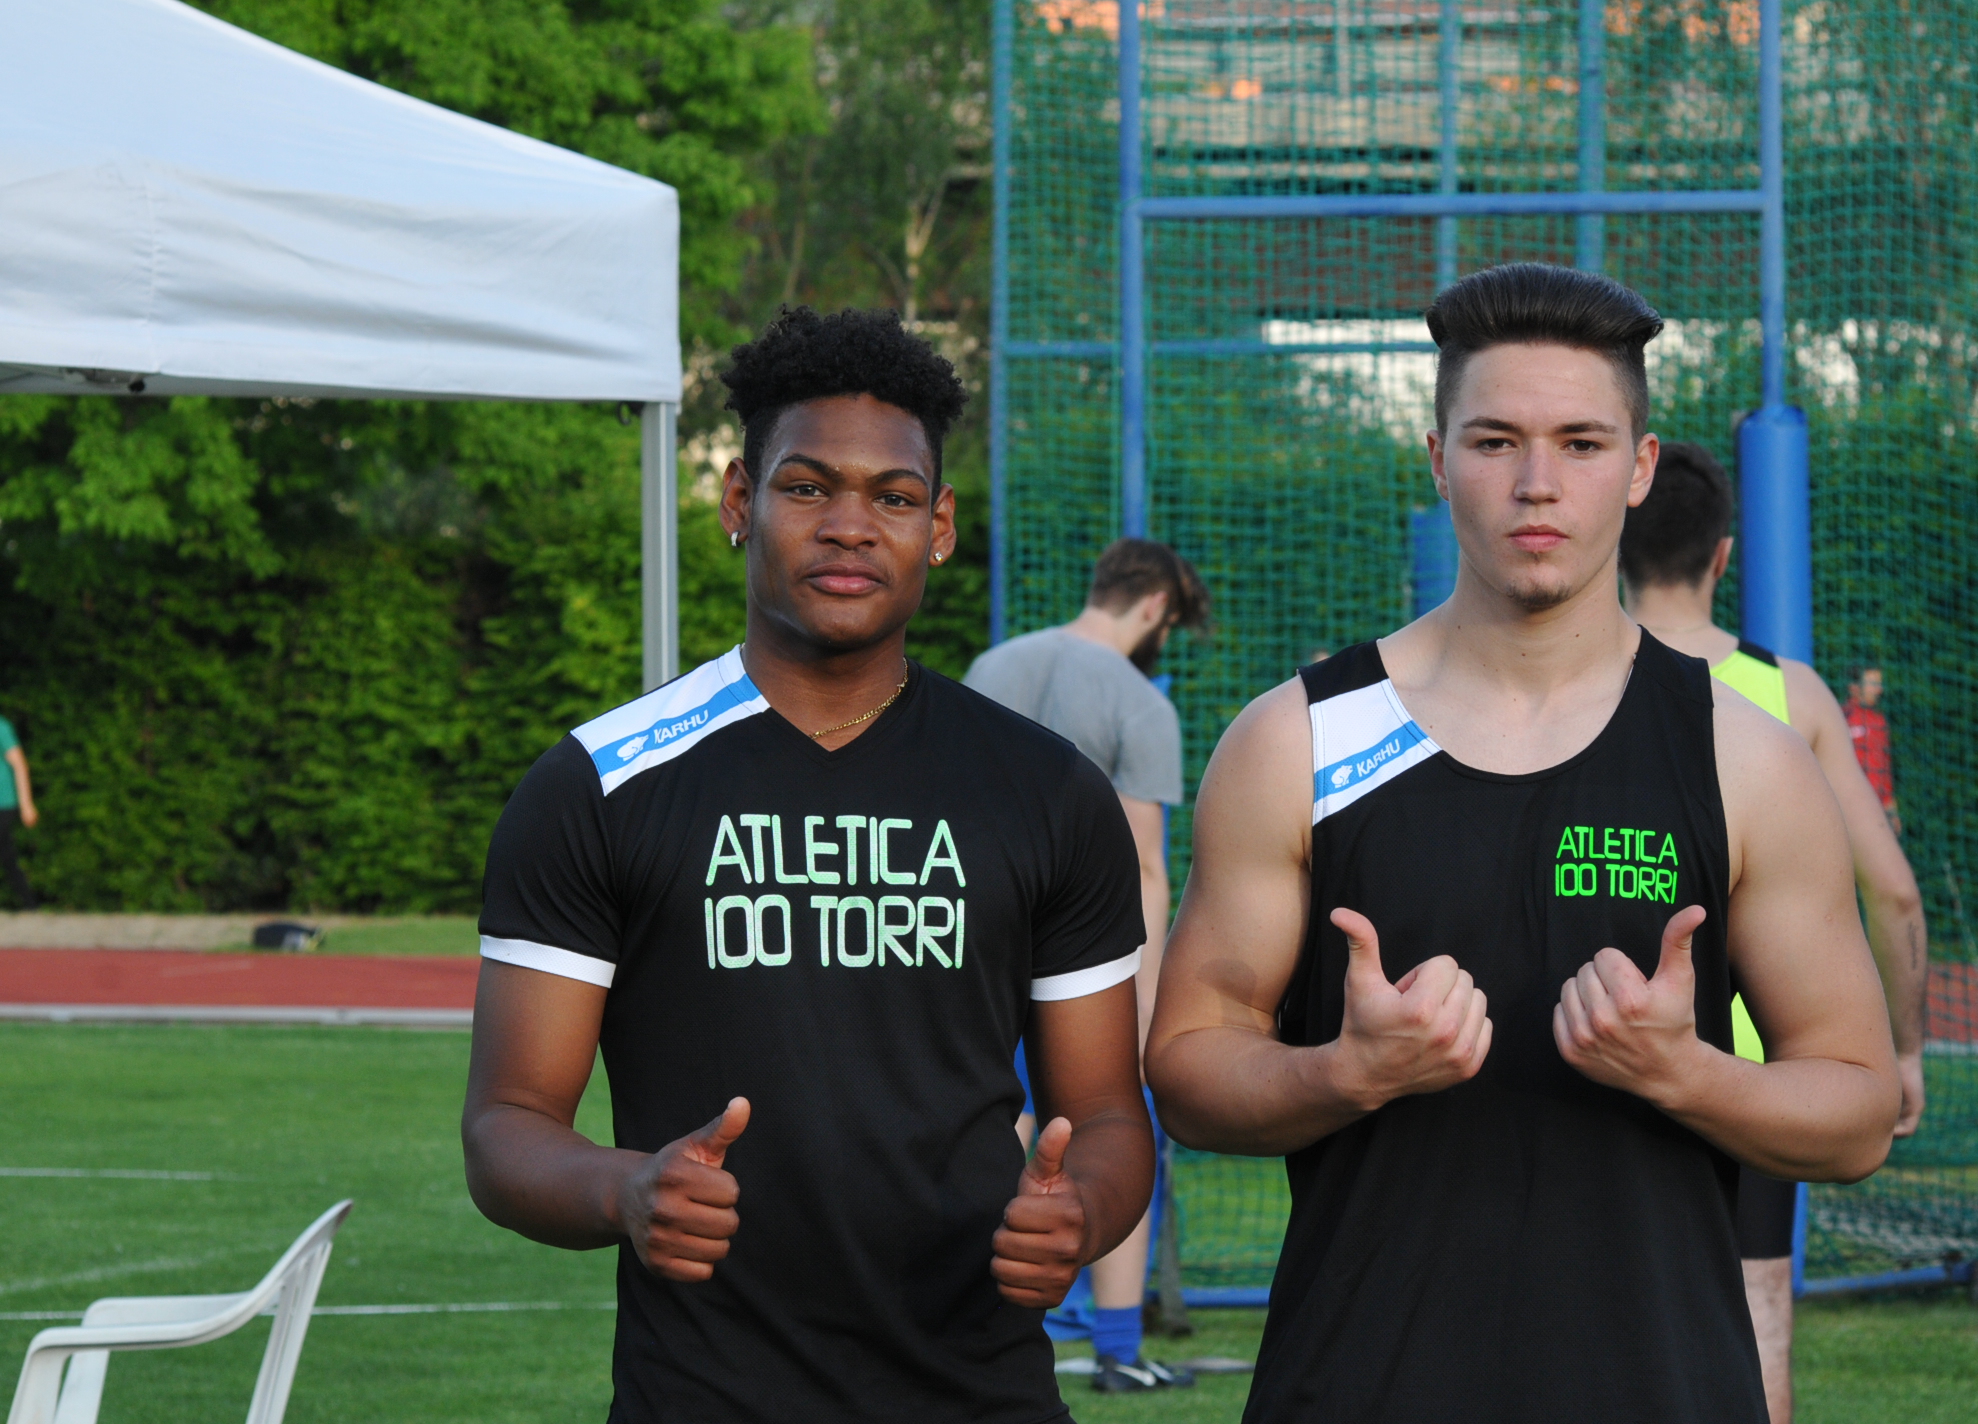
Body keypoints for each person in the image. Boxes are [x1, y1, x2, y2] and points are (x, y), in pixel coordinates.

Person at [1145, 263, 1900, 1423]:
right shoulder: (1297, 739)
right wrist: (1342, 1070)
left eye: (1580, 443)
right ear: (1435, 457)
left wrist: (1685, 1070)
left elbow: (1855, 1110)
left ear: (1637, 467)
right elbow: (1188, 1068)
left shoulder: (1741, 757)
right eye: (1494, 440)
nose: (1536, 482)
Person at [461, 306, 1156, 1424]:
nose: (849, 527)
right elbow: (505, 1123)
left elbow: (1109, 1115)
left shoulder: (1045, 791)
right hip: (700, 1400)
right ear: (739, 500)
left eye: (893, 497)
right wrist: (625, 1189)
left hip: (980, 1395)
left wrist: (1081, 1213)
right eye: (806, 487)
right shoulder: (597, 786)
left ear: (939, 525)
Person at [1622, 440, 1929, 1424]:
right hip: (1753, 1070)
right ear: (1723, 556)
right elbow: (1893, 892)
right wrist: (1902, 1049)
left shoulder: (1557, 687)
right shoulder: (1789, 694)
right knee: (1757, 1324)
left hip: (1595, 1048)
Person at [966, 537, 1212, 1393]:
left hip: (974, 947)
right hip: (1081, 961)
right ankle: (1117, 1351)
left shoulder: (990, 667)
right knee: (1117, 1127)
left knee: (984, 1129)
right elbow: (1142, 865)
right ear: (1155, 609)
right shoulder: (1140, 702)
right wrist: (1147, 997)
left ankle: (970, 1332)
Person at [1844, 666, 1900, 834]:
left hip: (1876, 810)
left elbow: (1884, 770)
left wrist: (1891, 810)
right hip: (1848, 808)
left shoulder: (1879, 721)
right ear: (1854, 687)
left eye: (1879, 684)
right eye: (1873, 684)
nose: (1879, 690)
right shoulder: (1840, 717)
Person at [0, 714, 39, 909]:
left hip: (3, 802)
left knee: (7, 854)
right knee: (7, 856)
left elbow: (19, 765)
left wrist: (26, 804)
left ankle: (31, 905)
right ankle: (30, 905)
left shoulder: (1, 728)